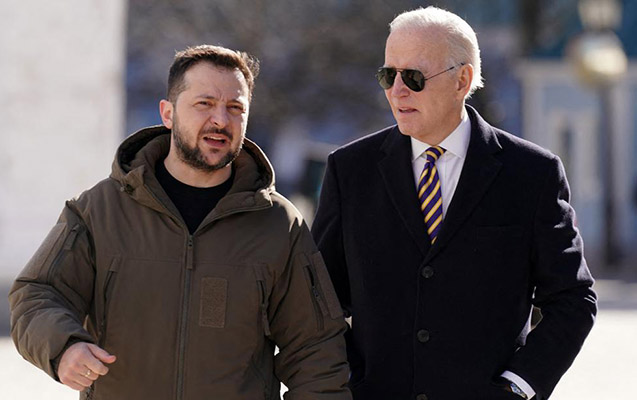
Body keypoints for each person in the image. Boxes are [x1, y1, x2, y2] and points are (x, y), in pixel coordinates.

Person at [10, 44, 351, 400]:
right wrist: (64, 346)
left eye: (235, 108)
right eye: (204, 104)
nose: (221, 120)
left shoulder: (279, 225)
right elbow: (37, 294)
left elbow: (316, 349)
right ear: (168, 113)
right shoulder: (100, 210)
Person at [312, 7, 596, 400]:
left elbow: (573, 300)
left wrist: (518, 387)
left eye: (413, 77)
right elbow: (317, 301)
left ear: (462, 80)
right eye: (388, 76)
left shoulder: (532, 173)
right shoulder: (350, 170)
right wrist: (349, 381)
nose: (397, 91)